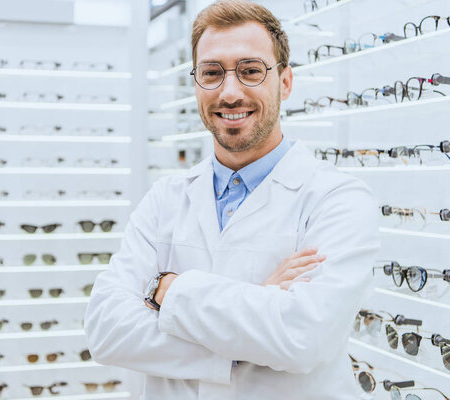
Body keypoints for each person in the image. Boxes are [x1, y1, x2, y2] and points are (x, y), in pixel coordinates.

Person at [84, 1, 380, 399]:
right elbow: (106, 330)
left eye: (251, 71)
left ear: (285, 82)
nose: (230, 92)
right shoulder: (163, 200)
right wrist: (254, 322)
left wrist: (168, 290)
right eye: (211, 73)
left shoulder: (338, 201)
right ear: (195, 84)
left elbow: (303, 338)